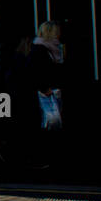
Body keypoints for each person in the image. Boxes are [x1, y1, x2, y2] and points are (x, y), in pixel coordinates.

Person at [26, 21, 65, 170]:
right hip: (46, 94)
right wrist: (44, 87)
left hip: (52, 92)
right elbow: (35, 72)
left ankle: (48, 157)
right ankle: (45, 158)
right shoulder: (41, 50)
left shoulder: (49, 49)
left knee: (52, 124)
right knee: (49, 125)